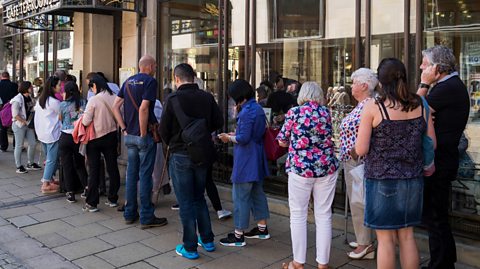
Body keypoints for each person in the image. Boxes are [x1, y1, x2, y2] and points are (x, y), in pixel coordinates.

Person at [355, 58, 436, 269]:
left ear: (380, 82)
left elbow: (361, 149)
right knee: (407, 236)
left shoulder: (374, 106)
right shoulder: (420, 104)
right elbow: (431, 144)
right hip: (413, 180)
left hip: (382, 181)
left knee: (385, 239)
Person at [159, 63, 222, 259]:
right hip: (202, 153)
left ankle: (190, 246)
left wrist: (173, 142)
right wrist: (201, 134)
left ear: (176, 79)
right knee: (198, 197)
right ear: (193, 77)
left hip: (180, 154)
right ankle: (208, 239)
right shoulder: (207, 97)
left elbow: (163, 130)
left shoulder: (173, 99)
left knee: (185, 201)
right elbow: (218, 122)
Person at [417, 45, 470, 269]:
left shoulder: (447, 88)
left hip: (440, 162)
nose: (421, 67)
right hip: (443, 159)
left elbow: (412, 110)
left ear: (437, 68)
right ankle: (444, 260)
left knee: (435, 217)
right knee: (435, 216)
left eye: (425, 64)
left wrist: (423, 85)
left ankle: (440, 264)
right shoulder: (449, 86)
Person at [276, 82, 339, 269]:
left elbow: (281, 142)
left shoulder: (294, 113)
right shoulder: (326, 113)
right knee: (324, 215)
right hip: (326, 168)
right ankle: (323, 264)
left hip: (301, 169)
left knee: (298, 214)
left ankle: (298, 262)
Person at [113, 55, 168, 227]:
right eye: (155, 65)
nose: (156, 68)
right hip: (144, 136)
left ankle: (130, 213)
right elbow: (144, 108)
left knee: (131, 174)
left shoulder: (129, 81)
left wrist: (124, 127)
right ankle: (146, 216)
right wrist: (143, 133)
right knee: (145, 176)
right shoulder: (150, 82)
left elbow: (115, 106)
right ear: (150, 66)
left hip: (129, 135)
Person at [218, 79, 271, 248]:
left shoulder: (247, 111)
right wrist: (235, 133)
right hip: (257, 157)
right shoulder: (257, 108)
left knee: (240, 196)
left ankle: (238, 235)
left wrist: (228, 137)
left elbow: (243, 138)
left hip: (246, 159)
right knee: (257, 193)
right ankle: (262, 229)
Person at [339, 68, 378, 259]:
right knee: (359, 202)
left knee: (358, 203)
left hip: (358, 162)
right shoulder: (363, 104)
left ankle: (364, 244)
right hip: (355, 161)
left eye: (354, 82)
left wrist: (353, 154)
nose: (351, 86)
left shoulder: (368, 104)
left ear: (364, 86)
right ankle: (364, 240)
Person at [82, 74, 120, 212]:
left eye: (91, 87)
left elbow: (86, 121)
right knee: (112, 167)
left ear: (95, 86)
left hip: (95, 138)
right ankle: (113, 198)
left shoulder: (93, 100)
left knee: (94, 169)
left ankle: (92, 203)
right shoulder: (114, 97)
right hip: (111, 136)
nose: (91, 90)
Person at [59, 81, 88, 203]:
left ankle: (70, 192)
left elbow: (60, 118)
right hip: (78, 135)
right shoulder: (83, 102)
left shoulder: (63, 104)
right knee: (80, 163)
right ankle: (87, 187)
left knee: (67, 165)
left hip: (65, 136)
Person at [34, 76, 62, 194]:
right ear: (53, 87)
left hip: (42, 133)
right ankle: (45, 184)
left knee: (49, 158)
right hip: (52, 134)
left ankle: (50, 179)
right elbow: (62, 116)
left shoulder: (41, 100)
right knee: (52, 159)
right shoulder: (54, 102)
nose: (60, 87)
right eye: (59, 85)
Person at [10, 81, 41, 174]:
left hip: (28, 125)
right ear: (26, 88)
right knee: (19, 145)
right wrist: (25, 122)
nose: (32, 88)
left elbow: (32, 108)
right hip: (19, 125)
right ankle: (18, 166)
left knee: (33, 143)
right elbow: (15, 115)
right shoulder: (17, 99)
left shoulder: (29, 98)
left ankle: (30, 163)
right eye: (30, 87)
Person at [0, 71, 18, 152]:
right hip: (13, 108)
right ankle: (15, 145)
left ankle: (3, 146)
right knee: (15, 127)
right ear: (9, 77)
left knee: (2, 128)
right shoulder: (14, 85)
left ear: (1, 77)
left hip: (2, 109)